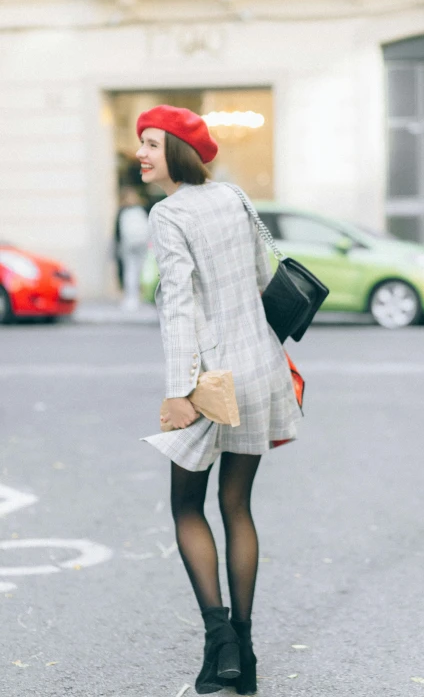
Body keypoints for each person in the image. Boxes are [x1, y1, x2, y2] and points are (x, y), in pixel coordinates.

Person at [136, 105, 301, 695]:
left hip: (211, 382)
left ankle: (219, 641)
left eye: (152, 143)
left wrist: (178, 390)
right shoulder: (235, 197)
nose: (142, 153)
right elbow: (264, 274)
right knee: (238, 507)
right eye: (141, 144)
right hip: (260, 368)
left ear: (177, 149)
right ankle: (246, 653)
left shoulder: (168, 212)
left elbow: (179, 304)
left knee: (186, 508)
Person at [115, 186, 149, 310]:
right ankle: (141, 296)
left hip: (128, 245)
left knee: (130, 270)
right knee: (141, 270)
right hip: (142, 244)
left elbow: (117, 231)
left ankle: (131, 298)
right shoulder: (142, 209)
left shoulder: (122, 211)